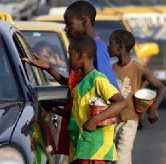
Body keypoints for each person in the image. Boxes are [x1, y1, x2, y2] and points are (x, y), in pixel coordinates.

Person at [22, 0, 120, 163]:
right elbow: (80, 87)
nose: (67, 29)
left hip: (94, 145)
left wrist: (95, 119)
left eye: (69, 24)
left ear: (84, 21)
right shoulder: (86, 64)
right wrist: (50, 69)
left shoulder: (97, 52)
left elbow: (109, 93)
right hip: (83, 142)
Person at [54, 35, 127, 163]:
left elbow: (122, 102)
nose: (68, 59)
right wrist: (55, 110)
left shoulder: (98, 79)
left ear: (80, 55)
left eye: (70, 55)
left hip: (95, 151)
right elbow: (78, 116)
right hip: (82, 148)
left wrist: (95, 120)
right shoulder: (81, 82)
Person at [107, 30, 166, 164]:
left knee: (122, 155)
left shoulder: (138, 68)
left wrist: (153, 108)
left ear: (120, 47)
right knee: (112, 157)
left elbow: (162, 88)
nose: (108, 46)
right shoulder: (110, 69)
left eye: (111, 43)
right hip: (112, 119)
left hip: (130, 120)